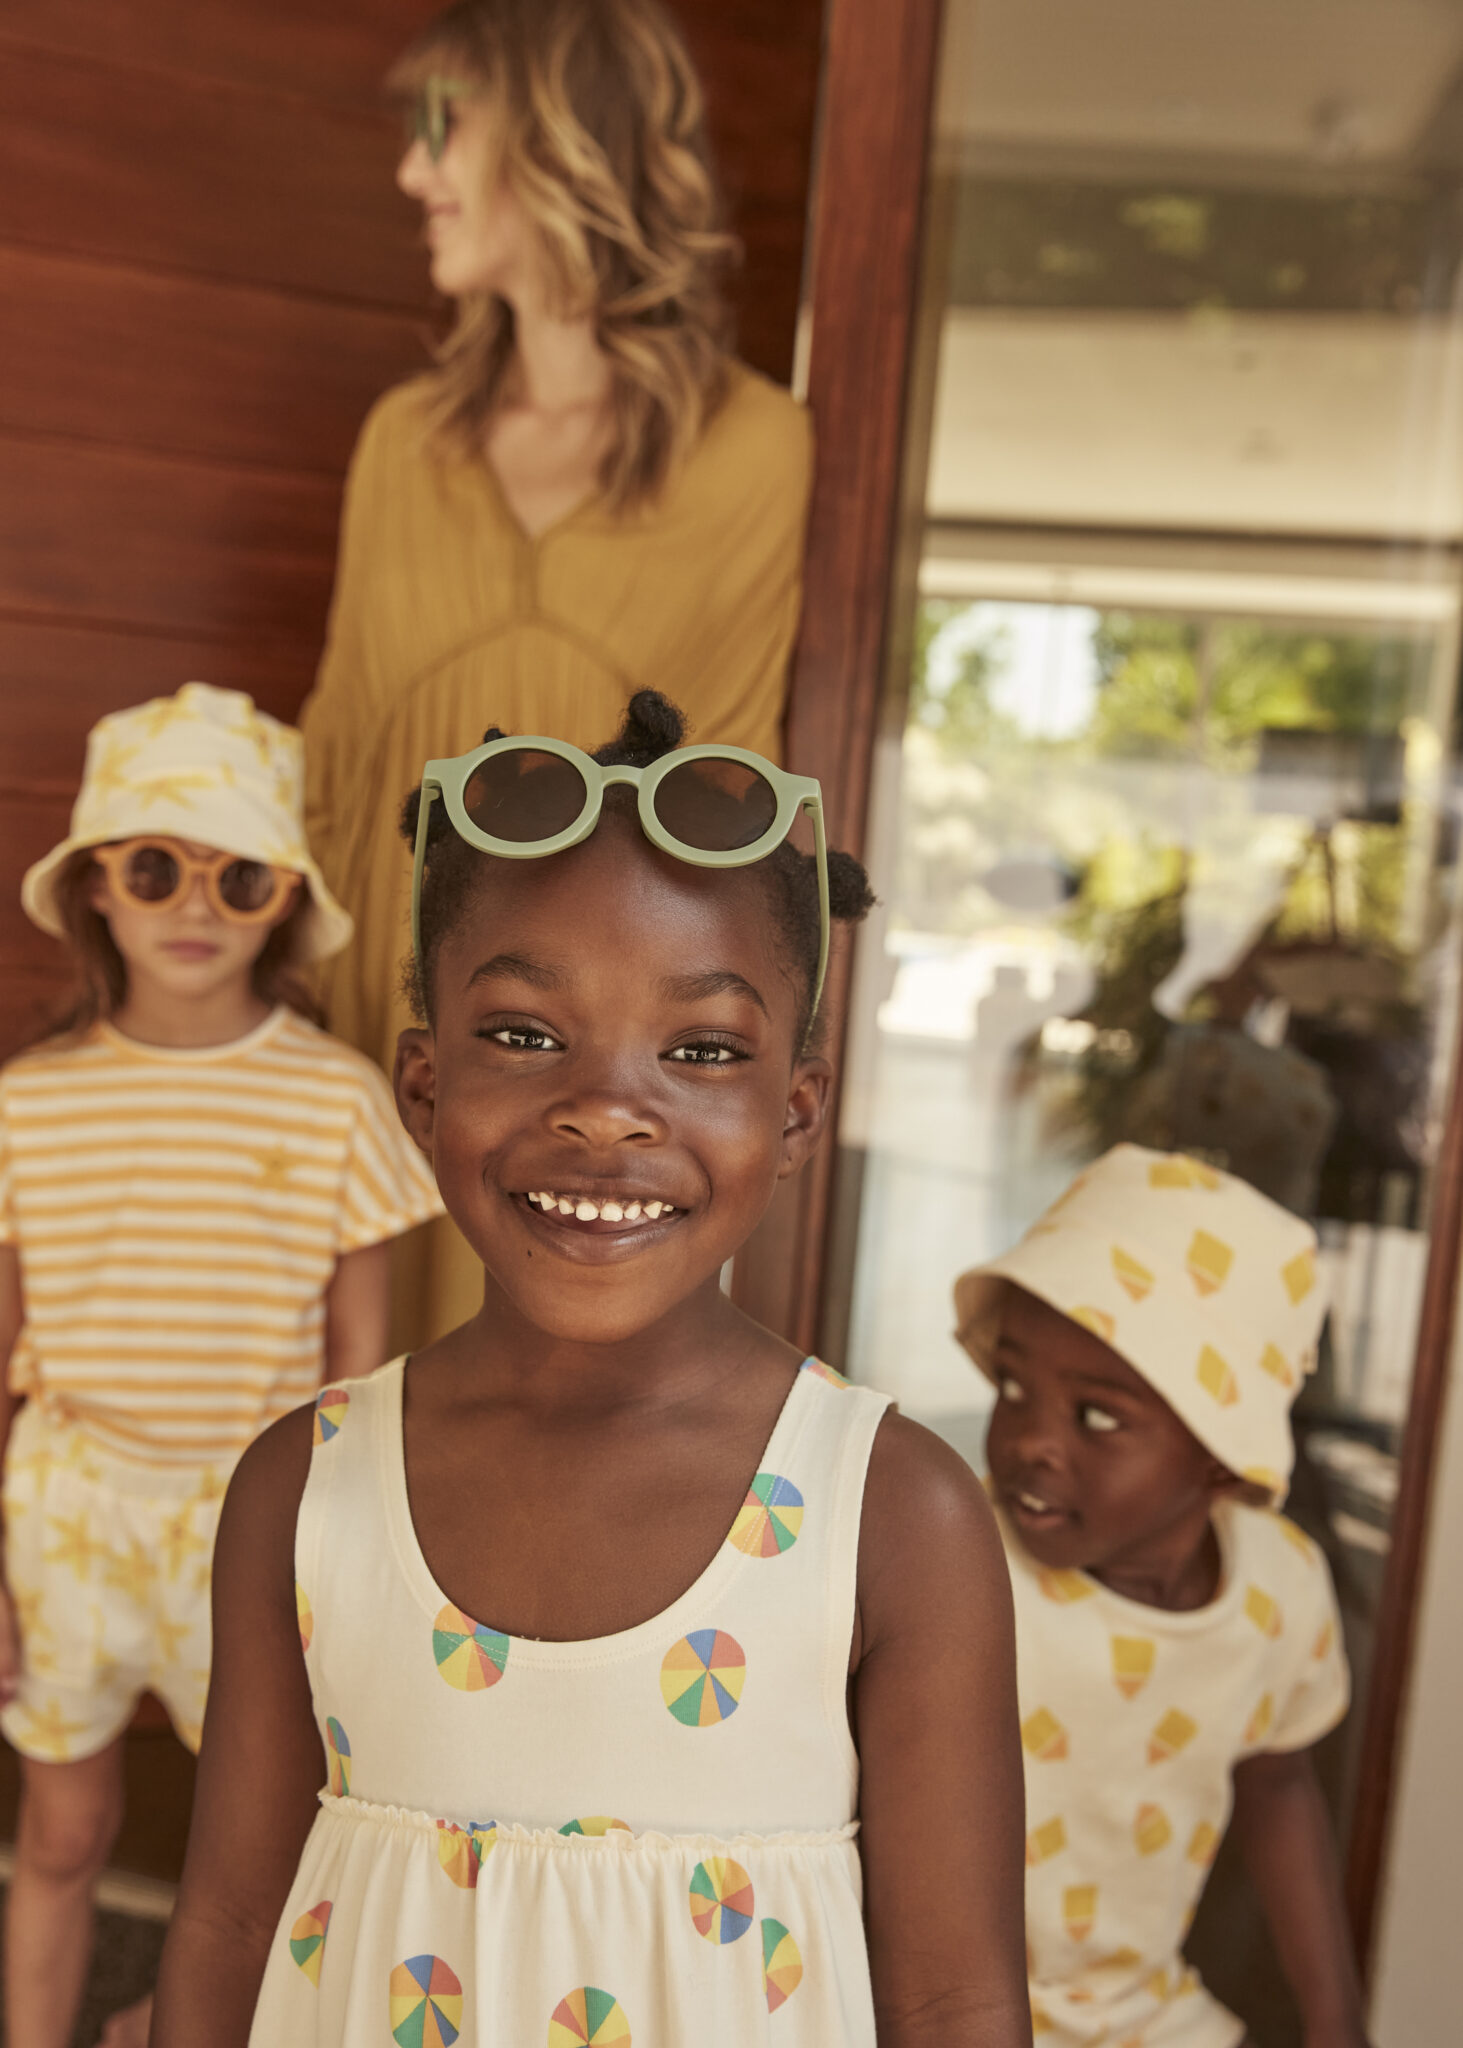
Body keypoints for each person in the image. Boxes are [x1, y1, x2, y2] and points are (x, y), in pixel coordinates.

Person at [152, 693, 1031, 2048]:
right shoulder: (307, 1488)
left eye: (701, 1050)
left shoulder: (892, 1516)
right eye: (523, 1033)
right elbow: (224, 1926)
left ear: (794, 1113)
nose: (608, 1109)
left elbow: (953, 1997)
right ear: (424, 1085)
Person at [301, 0, 816, 1350]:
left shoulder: (752, 448)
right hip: (369, 1040)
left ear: (558, 137)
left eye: (442, 126)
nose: (412, 170)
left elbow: (728, 814)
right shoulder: (402, 441)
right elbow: (333, 763)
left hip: (586, 1064)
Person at [0, 683, 442, 2048]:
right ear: (96, 888)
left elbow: (359, 1367)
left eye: (238, 875)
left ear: (283, 899)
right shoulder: (28, 1101)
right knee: (59, 1831)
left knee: (258, 1860)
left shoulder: (336, 1097)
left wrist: (340, 1563)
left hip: (250, 1520)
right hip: (63, 1512)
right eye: (155, 867)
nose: (193, 904)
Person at [954, 1144, 1372, 2048]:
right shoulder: (953, 1563)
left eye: (1097, 1416)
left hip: (1135, 2013)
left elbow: (1278, 1784)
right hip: (933, 2007)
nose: (1029, 1441)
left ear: (1223, 1456)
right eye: (1013, 1386)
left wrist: (1335, 2019)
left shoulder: (1279, 1591)